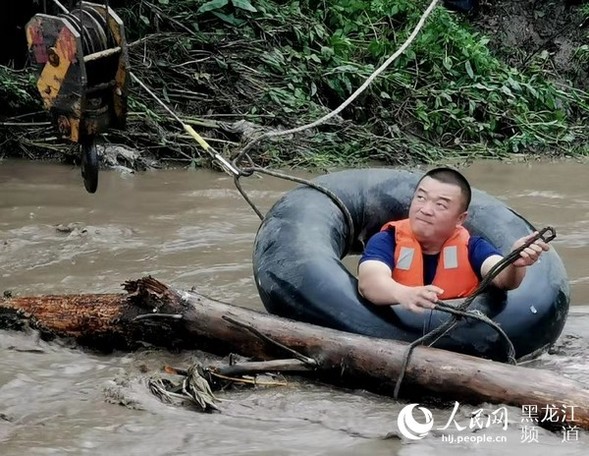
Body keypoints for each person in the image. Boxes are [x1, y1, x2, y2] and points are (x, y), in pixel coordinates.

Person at [357, 167, 550, 314]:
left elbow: (501, 278)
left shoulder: (472, 246)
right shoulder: (387, 240)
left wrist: (515, 262)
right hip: (395, 329)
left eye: (440, 205)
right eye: (421, 198)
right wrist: (405, 294)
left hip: (457, 333)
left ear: (460, 219)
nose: (425, 209)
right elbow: (369, 281)